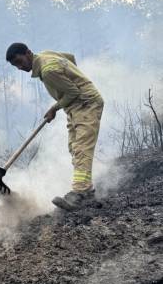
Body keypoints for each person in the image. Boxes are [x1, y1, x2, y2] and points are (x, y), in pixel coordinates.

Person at [6, 42, 104, 211]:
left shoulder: (48, 70)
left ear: (28, 53)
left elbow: (74, 92)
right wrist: (72, 77)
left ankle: (79, 194)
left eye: (20, 62)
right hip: (76, 106)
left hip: (85, 103)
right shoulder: (46, 55)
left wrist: (54, 108)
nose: (20, 68)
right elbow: (70, 57)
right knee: (74, 147)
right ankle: (87, 193)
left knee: (81, 148)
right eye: (16, 65)